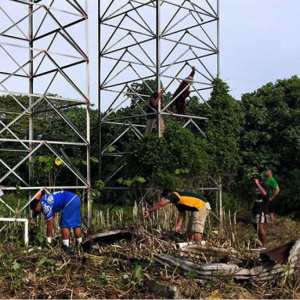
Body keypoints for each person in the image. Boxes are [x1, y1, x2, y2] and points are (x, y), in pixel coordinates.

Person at [144, 189, 211, 245]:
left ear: (169, 194)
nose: (169, 200)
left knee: (196, 229)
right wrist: (178, 225)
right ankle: (191, 244)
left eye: (167, 197)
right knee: (190, 228)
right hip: (197, 209)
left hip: (202, 206)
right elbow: (182, 214)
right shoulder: (178, 202)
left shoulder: (174, 195)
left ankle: (199, 248)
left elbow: (160, 204)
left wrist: (149, 211)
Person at [250, 173, 270, 247]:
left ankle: (265, 244)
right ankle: (261, 241)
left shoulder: (264, 184)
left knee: (260, 227)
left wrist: (258, 184)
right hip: (256, 208)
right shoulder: (255, 185)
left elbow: (264, 193)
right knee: (255, 225)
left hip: (262, 208)